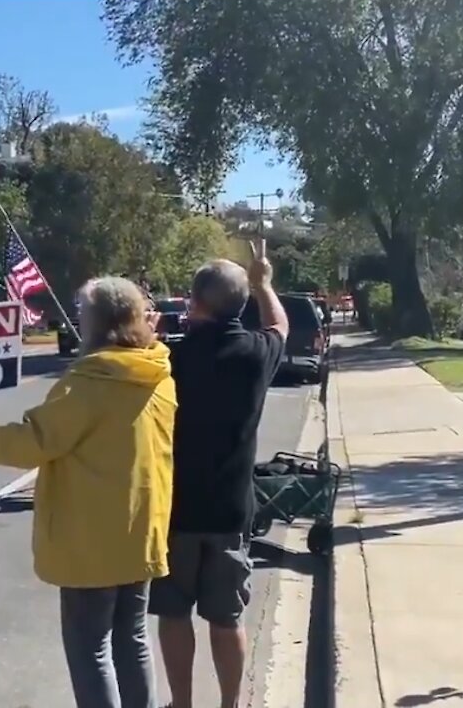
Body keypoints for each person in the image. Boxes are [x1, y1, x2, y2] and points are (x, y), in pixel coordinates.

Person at [0, 276, 177, 708]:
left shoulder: (86, 383)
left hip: (91, 543)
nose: (78, 320)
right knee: (133, 640)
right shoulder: (159, 373)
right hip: (142, 531)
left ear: (97, 322)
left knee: (91, 651)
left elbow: (27, 444)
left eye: (83, 313)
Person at [149, 239, 289, 708]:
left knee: (173, 612)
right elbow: (279, 325)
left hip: (177, 509)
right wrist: (264, 282)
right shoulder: (256, 354)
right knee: (227, 617)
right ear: (241, 303)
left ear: (195, 303)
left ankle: (182, 704)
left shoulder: (171, 358)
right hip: (231, 511)